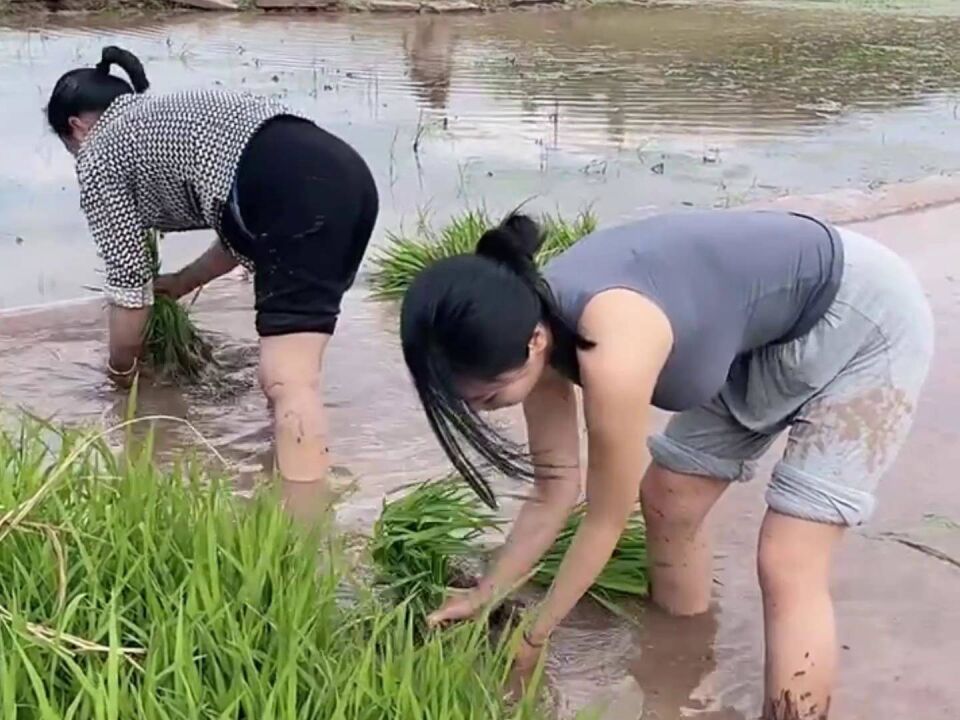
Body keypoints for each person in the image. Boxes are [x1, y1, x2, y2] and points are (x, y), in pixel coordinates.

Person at [399, 209, 933, 718]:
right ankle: (684, 668)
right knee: (669, 498)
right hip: (762, 338)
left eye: (489, 399)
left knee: (789, 557)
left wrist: (536, 635)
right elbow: (555, 487)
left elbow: (606, 518)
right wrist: (487, 591)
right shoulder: (526, 325)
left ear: (535, 341)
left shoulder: (612, 344)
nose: (484, 412)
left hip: (861, 315)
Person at [47, 46, 378, 518]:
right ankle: (284, 465)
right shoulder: (162, 118)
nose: (76, 156)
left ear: (77, 127)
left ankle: (305, 536)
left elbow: (128, 283)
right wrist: (182, 281)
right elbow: (242, 224)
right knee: (293, 369)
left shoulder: (99, 151)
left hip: (291, 194)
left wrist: (120, 375)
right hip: (347, 177)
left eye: (69, 146)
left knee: (289, 380)